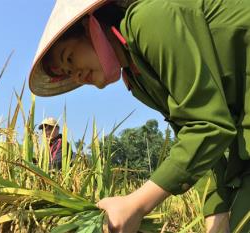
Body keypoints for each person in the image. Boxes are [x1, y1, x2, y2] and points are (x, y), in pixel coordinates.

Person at [28, 0, 250, 232]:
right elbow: (193, 136)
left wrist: (137, 204)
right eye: (69, 74)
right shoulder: (138, 79)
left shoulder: (147, 20)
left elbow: (208, 125)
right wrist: (217, 212)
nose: (78, 76)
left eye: (70, 59)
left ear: (90, 26)